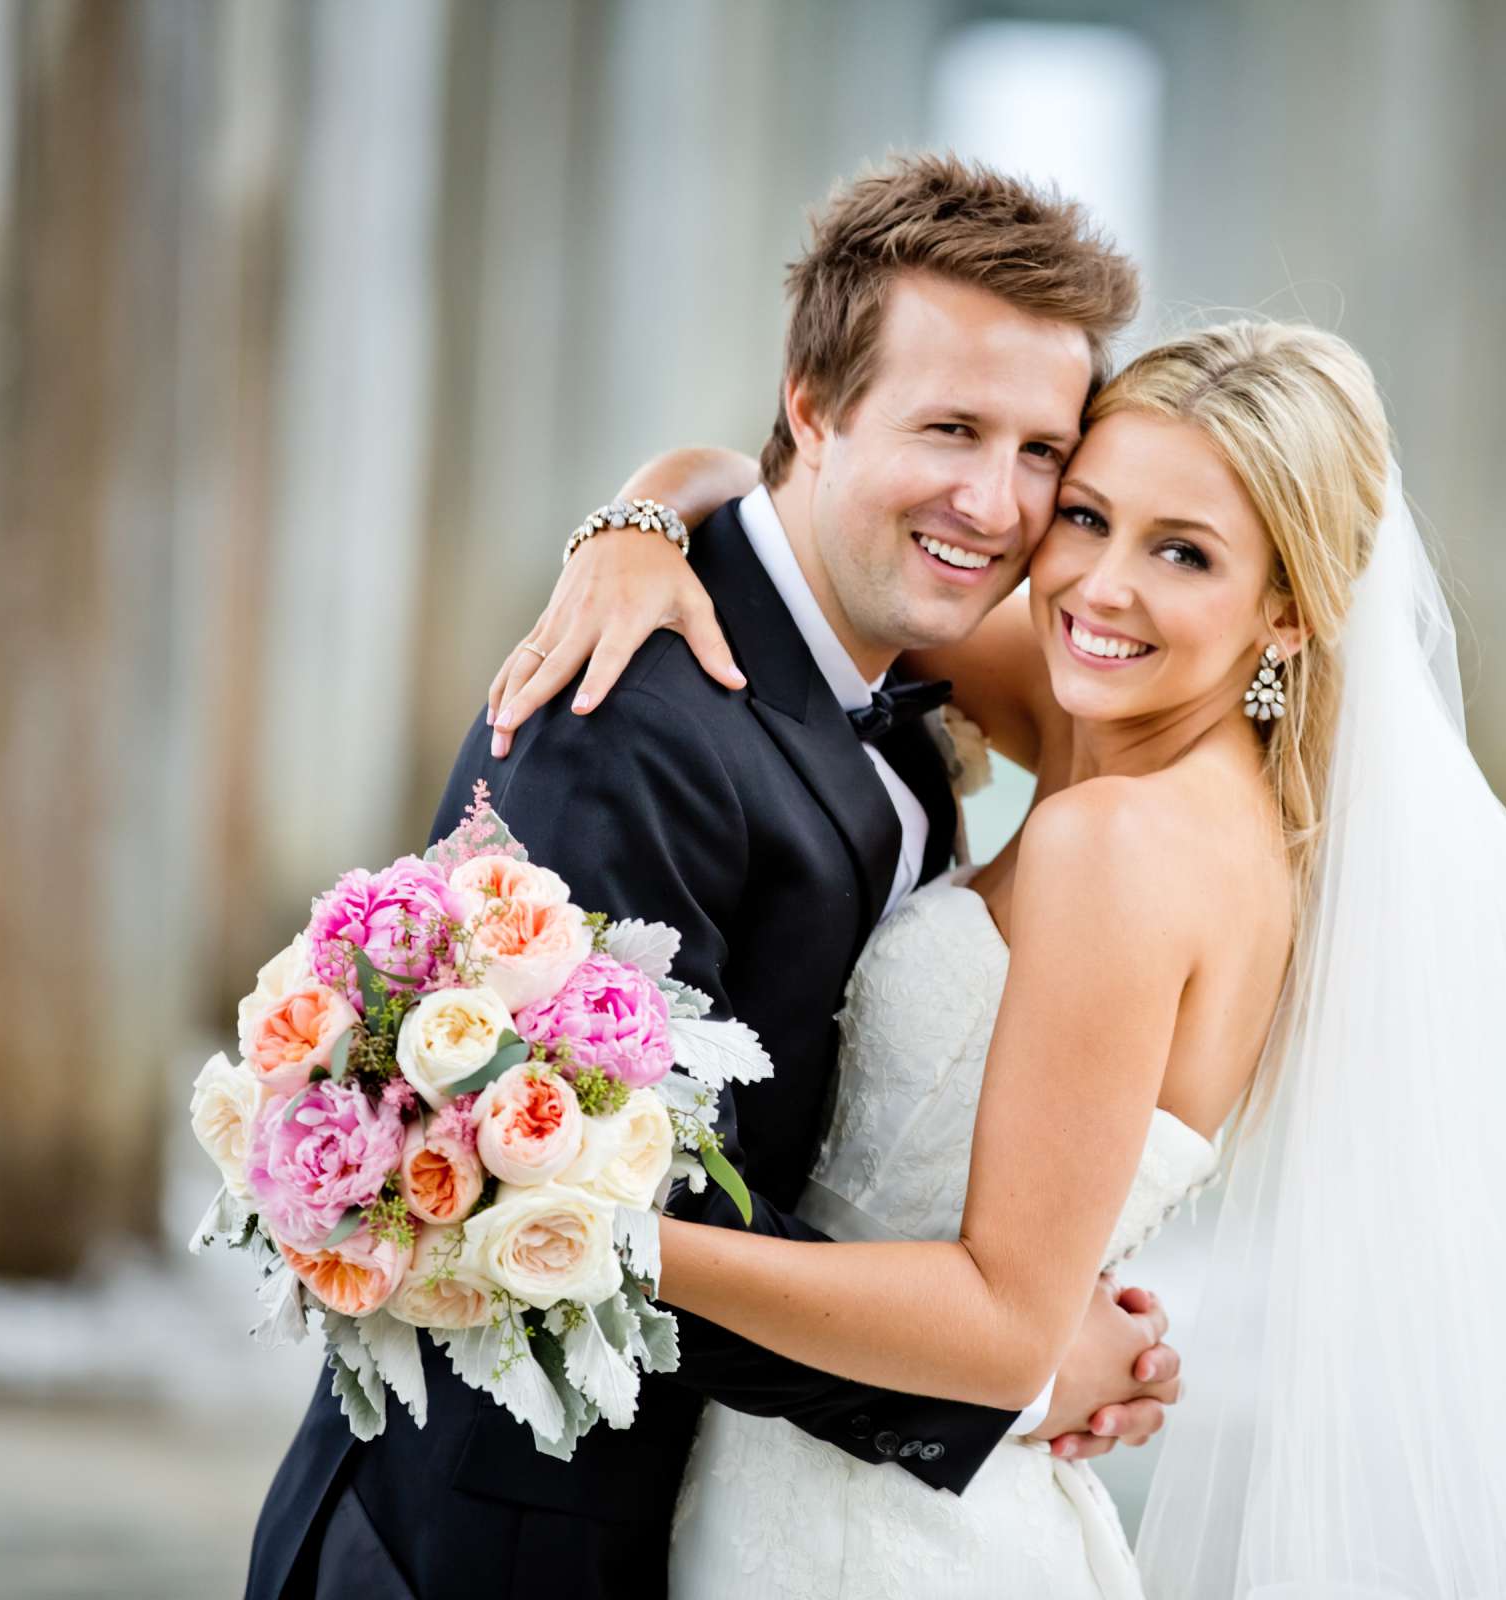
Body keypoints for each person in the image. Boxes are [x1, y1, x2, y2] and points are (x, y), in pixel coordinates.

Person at [497, 318, 1506, 1596]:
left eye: (1184, 553)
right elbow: (807, 526)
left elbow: (999, 1327)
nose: (1096, 585)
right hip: (871, 1481)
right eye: (1088, 517)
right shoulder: (1138, 747)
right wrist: (641, 519)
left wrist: (595, 1225)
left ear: (1288, 614)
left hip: (866, 1540)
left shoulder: (1125, 846)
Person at [244, 154, 1184, 1600]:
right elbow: (563, 1212)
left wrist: (1028, 1295)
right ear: (814, 407)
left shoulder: (901, 665)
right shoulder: (631, 720)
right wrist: (1005, 1377)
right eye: (950, 428)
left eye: (1041, 451)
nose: (997, 504)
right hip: (486, 1553)